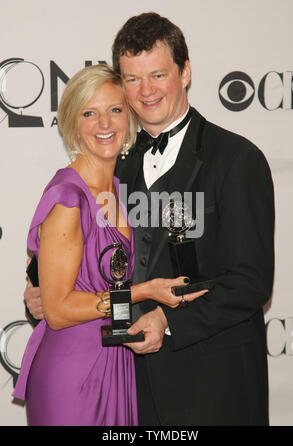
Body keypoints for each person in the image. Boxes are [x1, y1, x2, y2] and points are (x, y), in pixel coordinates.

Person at [24, 13, 275, 426]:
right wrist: (39, 285)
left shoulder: (236, 160)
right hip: (128, 386)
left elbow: (250, 281)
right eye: (133, 78)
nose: (146, 91)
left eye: (158, 74)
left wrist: (167, 319)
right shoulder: (117, 162)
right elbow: (86, 249)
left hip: (212, 387)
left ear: (186, 72)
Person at [15, 63, 205, 426]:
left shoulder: (121, 189)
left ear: (129, 117)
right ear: (72, 124)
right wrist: (143, 291)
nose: (105, 124)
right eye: (90, 113)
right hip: (71, 372)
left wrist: (33, 279)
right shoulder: (67, 196)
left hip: (118, 362)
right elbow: (57, 310)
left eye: (115, 110)